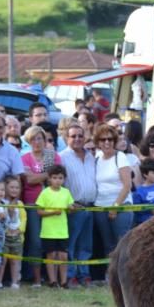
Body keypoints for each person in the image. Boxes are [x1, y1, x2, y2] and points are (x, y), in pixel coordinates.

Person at [20, 126, 61, 286]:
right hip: (33, 203)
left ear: (45, 140)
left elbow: (59, 177)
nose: (37, 142)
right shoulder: (25, 158)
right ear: (28, 142)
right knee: (35, 242)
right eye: (33, 139)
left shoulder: (53, 156)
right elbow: (28, 180)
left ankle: (53, 278)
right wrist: (49, 175)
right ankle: (36, 279)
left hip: (53, 203)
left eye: (40, 138)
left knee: (53, 241)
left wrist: (41, 176)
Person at [59, 123, 97, 288]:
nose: (77, 139)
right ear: (66, 138)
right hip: (73, 207)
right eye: (73, 136)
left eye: (80, 136)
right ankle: (70, 276)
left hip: (91, 206)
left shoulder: (91, 156)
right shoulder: (61, 157)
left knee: (86, 245)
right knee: (71, 244)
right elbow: (53, 181)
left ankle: (84, 275)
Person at [92, 123, 134, 262]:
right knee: (107, 245)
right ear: (98, 142)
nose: (107, 142)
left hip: (120, 206)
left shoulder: (120, 156)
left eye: (110, 139)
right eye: (103, 139)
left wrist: (115, 207)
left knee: (121, 244)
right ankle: (109, 276)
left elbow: (127, 185)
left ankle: (123, 276)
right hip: (100, 206)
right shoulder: (97, 157)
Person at [36, 165, 73, 289]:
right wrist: (52, 212)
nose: (57, 180)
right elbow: (39, 212)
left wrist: (72, 209)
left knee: (63, 256)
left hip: (62, 231)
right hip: (48, 231)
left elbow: (70, 208)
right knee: (51, 256)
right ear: (49, 179)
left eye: (60, 178)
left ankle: (63, 281)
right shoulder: (45, 193)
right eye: (55, 178)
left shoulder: (66, 192)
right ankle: (52, 281)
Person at [2, 176, 25, 289]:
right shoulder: (2, 202)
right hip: (4, 236)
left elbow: (24, 219)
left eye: (17, 187)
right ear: (5, 187)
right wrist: (6, 230)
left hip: (17, 236)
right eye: (11, 187)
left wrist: (19, 230)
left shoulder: (20, 204)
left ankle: (15, 282)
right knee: (3, 260)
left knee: (15, 261)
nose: (14, 190)